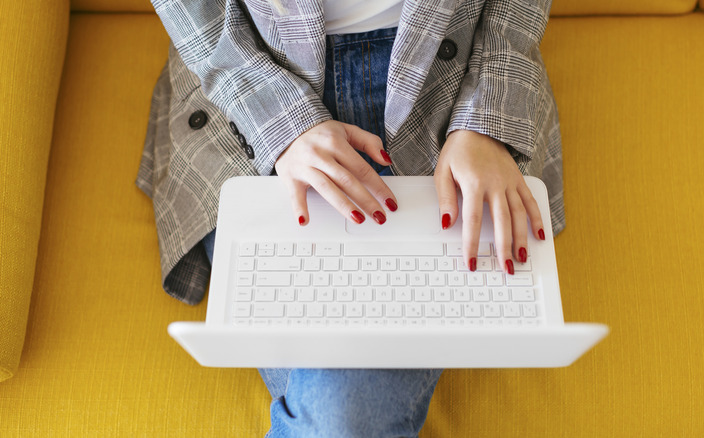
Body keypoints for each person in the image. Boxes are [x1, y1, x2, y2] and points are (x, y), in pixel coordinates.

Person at [138, 0, 564, 436]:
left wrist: (485, 119)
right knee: (339, 418)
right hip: (247, 76)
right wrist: (279, 121)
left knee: (338, 418)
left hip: (453, 89)